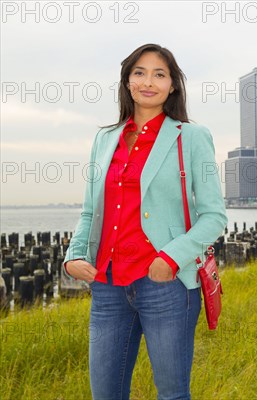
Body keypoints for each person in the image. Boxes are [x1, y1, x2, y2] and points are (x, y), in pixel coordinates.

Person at [63, 43, 228, 400]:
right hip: (107, 286)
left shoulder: (191, 137)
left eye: (159, 74)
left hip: (166, 286)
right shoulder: (104, 139)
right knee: (105, 394)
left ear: (173, 85)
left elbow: (214, 215)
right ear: (127, 82)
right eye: (139, 72)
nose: (148, 81)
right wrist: (74, 255)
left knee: (171, 394)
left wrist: (170, 258)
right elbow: (91, 210)